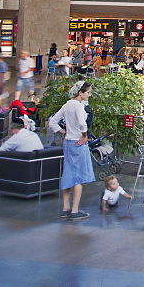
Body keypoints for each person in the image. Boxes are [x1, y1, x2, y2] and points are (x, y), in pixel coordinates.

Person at [49, 80, 95, 221]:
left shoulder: (67, 105)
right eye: (87, 92)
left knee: (68, 173)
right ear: (80, 92)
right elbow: (82, 123)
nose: (89, 95)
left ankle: (65, 208)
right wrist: (84, 136)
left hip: (68, 142)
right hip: (78, 143)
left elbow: (52, 122)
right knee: (78, 177)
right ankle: (75, 210)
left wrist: (64, 132)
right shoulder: (78, 107)